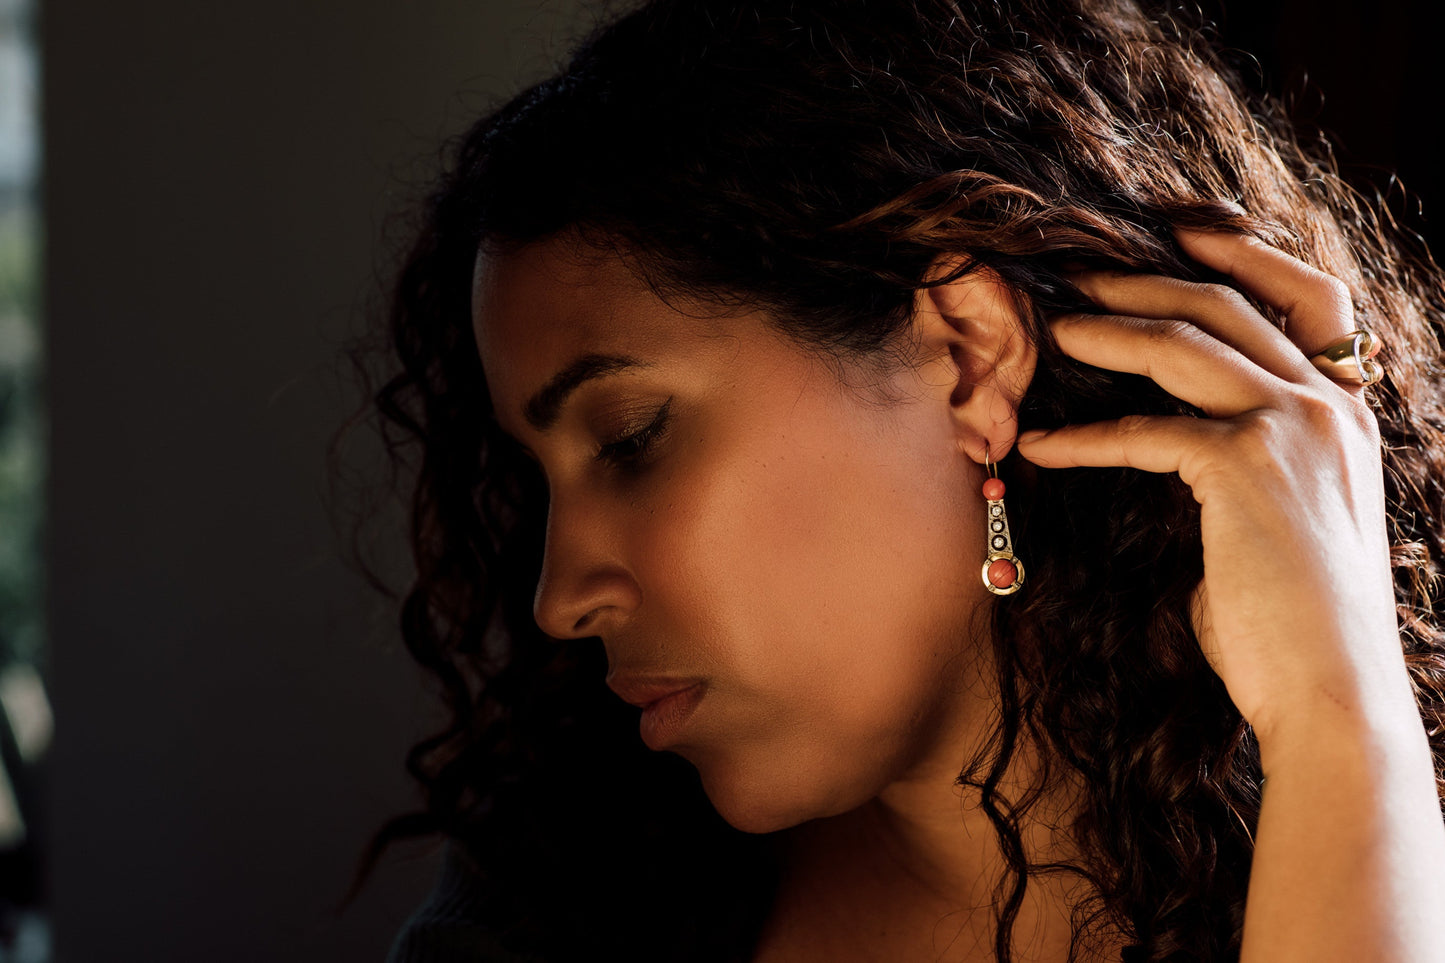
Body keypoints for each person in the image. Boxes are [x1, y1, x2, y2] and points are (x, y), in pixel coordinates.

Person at [340, 0, 1445, 959]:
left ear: (966, 356)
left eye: (629, 438)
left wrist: (1338, 721)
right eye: (540, 483)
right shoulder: (559, 906)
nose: (559, 597)